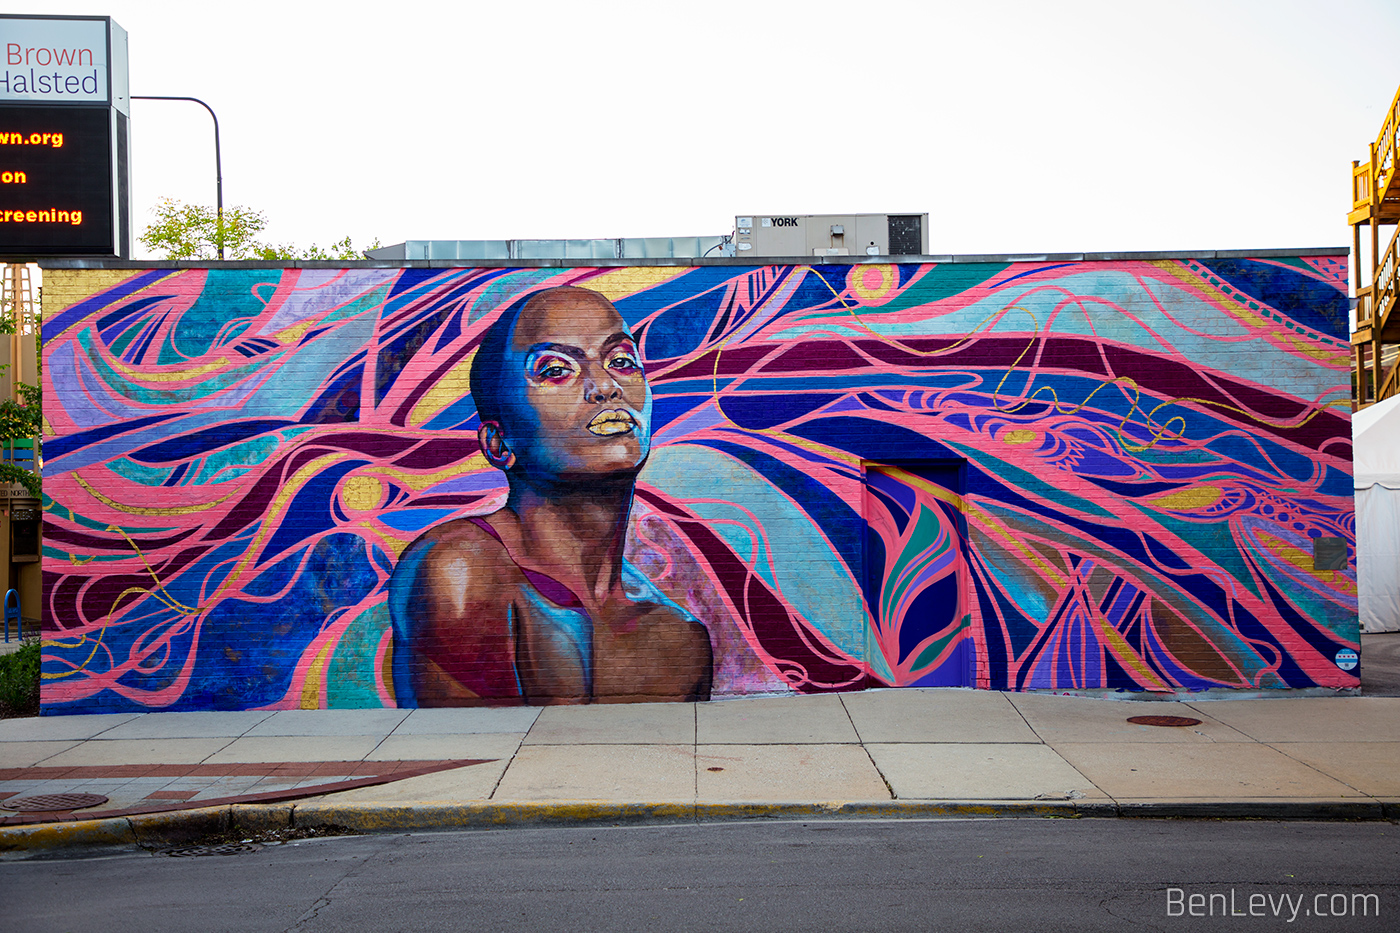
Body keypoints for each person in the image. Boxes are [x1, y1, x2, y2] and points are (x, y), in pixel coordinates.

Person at [389, 286, 713, 706]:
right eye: (556, 370)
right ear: (499, 444)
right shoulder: (461, 569)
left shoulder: (679, 639)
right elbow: (473, 760)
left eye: (621, 361)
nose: (605, 386)